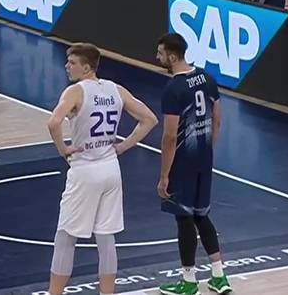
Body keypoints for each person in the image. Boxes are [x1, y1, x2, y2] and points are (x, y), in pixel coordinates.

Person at [45, 43, 158, 295]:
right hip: (111, 168)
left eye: (72, 62)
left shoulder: (75, 92)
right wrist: (123, 146)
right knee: (106, 237)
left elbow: (53, 122)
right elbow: (150, 119)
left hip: (85, 169)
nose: (67, 66)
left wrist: (62, 148)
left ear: (87, 67)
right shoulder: (115, 89)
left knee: (65, 236)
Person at [155, 32, 233, 295]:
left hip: (183, 161)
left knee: (184, 218)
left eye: (161, 53)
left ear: (172, 56)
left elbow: (168, 136)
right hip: (204, 157)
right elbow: (218, 119)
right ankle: (219, 276)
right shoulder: (208, 78)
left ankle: (188, 281)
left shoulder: (173, 89)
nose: (158, 57)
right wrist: (207, 150)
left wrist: (165, 174)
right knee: (202, 214)